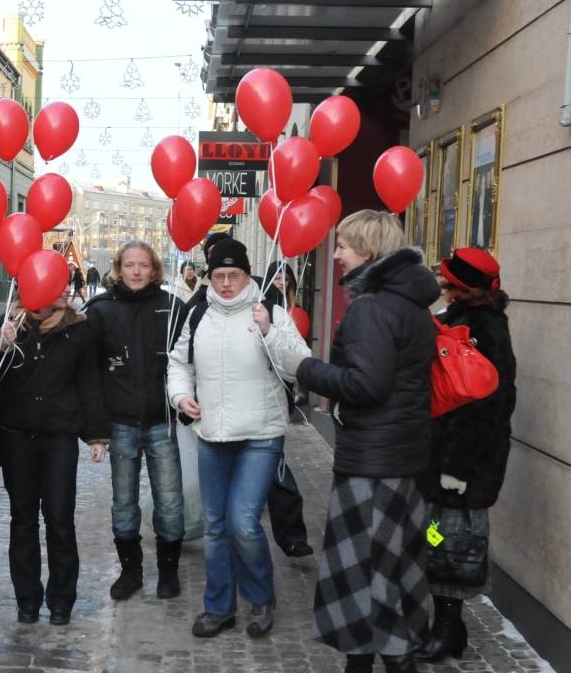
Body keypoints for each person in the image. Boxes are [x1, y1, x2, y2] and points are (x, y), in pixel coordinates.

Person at [280, 210, 439, 673]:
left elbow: (367, 385)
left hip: (373, 464)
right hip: (401, 458)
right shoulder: (409, 303)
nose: (336, 254)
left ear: (367, 250)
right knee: (392, 567)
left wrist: (303, 366)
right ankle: (376, 659)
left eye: (344, 246)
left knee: (365, 572)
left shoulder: (373, 307)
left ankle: (384, 661)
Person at [167, 239, 310, 639]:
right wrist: (181, 396)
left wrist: (269, 331)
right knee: (215, 525)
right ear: (209, 276)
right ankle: (219, 607)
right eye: (219, 275)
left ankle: (261, 598)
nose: (226, 283)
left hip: (261, 435)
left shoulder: (272, 311)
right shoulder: (198, 315)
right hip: (212, 434)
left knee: (242, 521)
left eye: (234, 275)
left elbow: (298, 366)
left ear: (247, 275)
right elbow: (179, 363)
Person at [414, 248, 517, 663]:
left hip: (463, 465)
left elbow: (484, 406)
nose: (442, 284)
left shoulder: (484, 329)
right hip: (445, 457)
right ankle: (448, 627)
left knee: (451, 542)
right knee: (439, 538)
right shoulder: (460, 319)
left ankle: (446, 629)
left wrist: (456, 469)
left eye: (448, 280)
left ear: (462, 286)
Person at [0, 288, 110, 626]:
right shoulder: (9, 325)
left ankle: (61, 600)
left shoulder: (79, 329)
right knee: (23, 521)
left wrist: (97, 435)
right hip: (17, 438)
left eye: (65, 286)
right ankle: (27, 600)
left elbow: (89, 382)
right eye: (55, 285)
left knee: (60, 520)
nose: (65, 291)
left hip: (59, 439)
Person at [85, 240, 184, 602]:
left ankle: (169, 573)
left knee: (170, 502)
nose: (137, 271)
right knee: (124, 502)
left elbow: (190, 359)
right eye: (130, 265)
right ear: (119, 268)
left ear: (155, 269)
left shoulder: (172, 307)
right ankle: (131, 572)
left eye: (144, 265)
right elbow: (87, 371)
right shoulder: (100, 310)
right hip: (121, 424)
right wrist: (95, 429)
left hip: (162, 422)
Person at [259, 261, 314, 559]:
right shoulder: (213, 313)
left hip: (274, 399)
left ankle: (292, 537)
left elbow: (301, 356)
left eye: (285, 276)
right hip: (233, 415)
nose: (281, 281)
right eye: (276, 276)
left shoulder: (284, 312)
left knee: (277, 470)